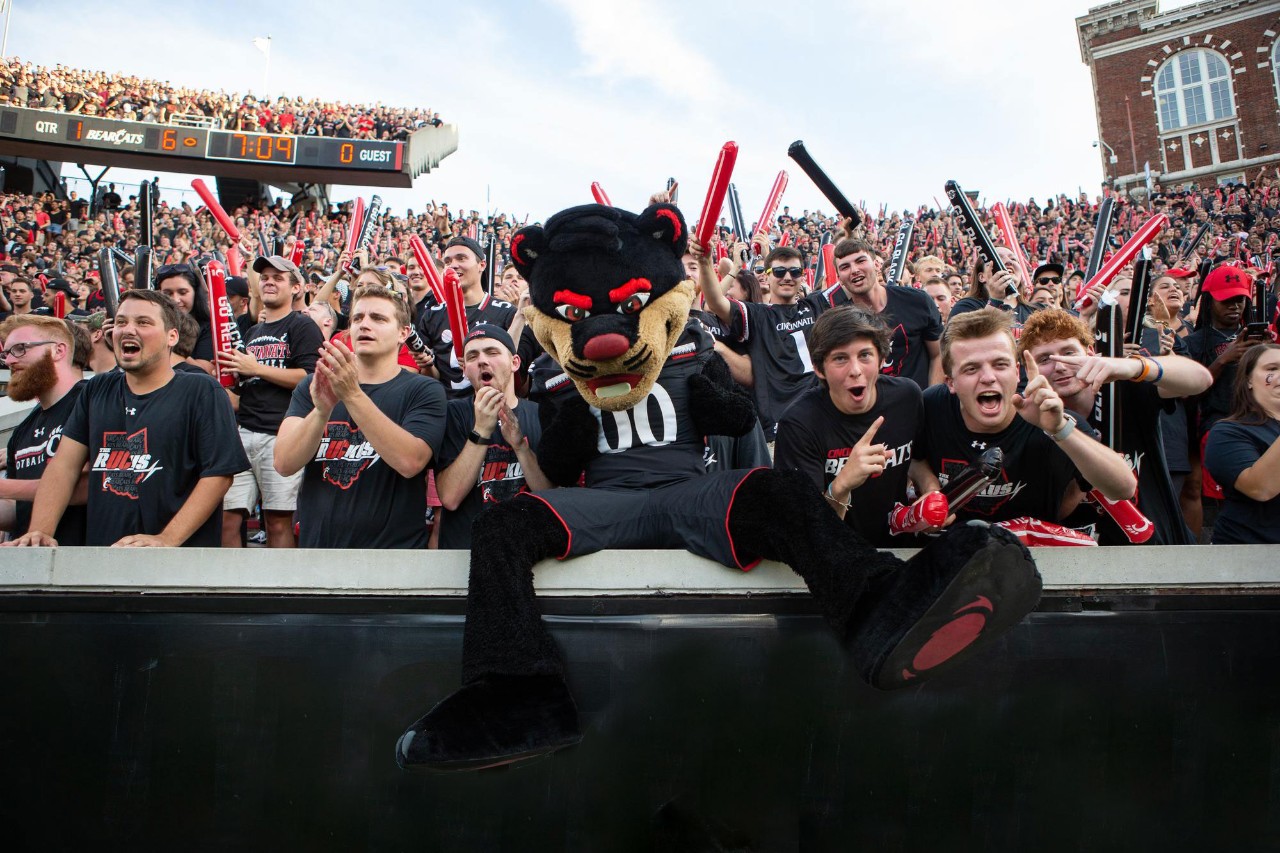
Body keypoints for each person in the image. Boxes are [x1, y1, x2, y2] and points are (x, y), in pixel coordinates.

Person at [4, 290, 248, 547]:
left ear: (172, 337)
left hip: (176, 565)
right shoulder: (96, 390)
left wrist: (166, 539)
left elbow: (218, 476)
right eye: (121, 322)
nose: (128, 329)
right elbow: (64, 466)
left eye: (143, 322)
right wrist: (41, 530)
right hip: (104, 557)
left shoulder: (202, 391)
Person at [914, 308, 1136, 524]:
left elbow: (1124, 487)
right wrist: (930, 488)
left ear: (1016, 370)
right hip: (948, 551)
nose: (988, 377)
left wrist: (1060, 430)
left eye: (1000, 365)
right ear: (951, 382)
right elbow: (914, 459)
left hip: (1030, 555)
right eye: (971, 369)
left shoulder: (1050, 418)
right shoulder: (931, 406)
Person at [1018, 308, 1211, 544]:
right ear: (1028, 369)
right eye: (1045, 359)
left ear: (1091, 353)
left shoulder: (1124, 388)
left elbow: (1201, 379)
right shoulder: (1028, 418)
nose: (1059, 366)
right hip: (1085, 563)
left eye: (1069, 353)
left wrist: (1133, 367)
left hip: (1160, 545)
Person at [275, 284, 446, 549]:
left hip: (391, 558)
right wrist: (321, 411)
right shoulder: (316, 385)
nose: (364, 325)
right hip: (318, 552)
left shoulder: (423, 389)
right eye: (357, 318)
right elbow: (284, 463)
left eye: (378, 318)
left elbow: (411, 461)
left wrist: (352, 394)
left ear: (403, 333)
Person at [774, 306, 933, 547]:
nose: (855, 371)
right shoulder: (799, 424)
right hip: (839, 557)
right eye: (840, 358)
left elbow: (917, 461)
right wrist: (842, 485)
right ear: (819, 369)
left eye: (865, 355)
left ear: (881, 359)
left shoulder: (908, 397)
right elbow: (807, 531)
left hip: (902, 548)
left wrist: (931, 490)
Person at [216, 254, 324, 549]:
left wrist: (257, 368)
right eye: (264, 278)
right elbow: (249, 387)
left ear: (295, 288)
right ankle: (231, 591)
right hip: (244, 432)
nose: (269, 282)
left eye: (278, 278)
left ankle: (283, 593)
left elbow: (311, 378)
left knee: (277, 521)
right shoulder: (252, 331)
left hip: (280, 435)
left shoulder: (303, 327)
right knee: (228, 518)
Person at [696, 240, 839, 442]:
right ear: (768, 275)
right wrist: (704, 263)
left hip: (826, 422)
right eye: (779, 272)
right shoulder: (757, 315)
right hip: (782, 429)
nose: (787, 277)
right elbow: (715, 302)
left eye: (795, 272)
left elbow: (850, 281)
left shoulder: (817, 304)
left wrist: (852, 234)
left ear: (803, 276)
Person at [434, 324, 550, 548]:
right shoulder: (452, 414)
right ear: (465, 370)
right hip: (466, 552)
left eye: (492, 352)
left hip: (527, 549)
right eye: (472, 356)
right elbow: (449, 498)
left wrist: (520, 447)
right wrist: (481, 431)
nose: (482, 361)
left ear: (515, 362)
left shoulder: (540, 414)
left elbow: (550, 496)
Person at [1, 315, 88, 543]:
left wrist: (3, 486)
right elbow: (17, 508)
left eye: (20, 349)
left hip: (83, 556)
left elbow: (92, 484)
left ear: (58, 350)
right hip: (30, 559)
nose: (10, 360)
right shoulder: (22, 431)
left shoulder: (92, 401)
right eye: (6, 353)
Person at [831, 238, 943, 388]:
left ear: (876, 265)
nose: (854, 270)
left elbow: (939, 353)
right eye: (845, 267)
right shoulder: (839, 320)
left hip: (919, 404)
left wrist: (930, 399)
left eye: (860, 261)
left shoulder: (917, 301)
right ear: (840, 279)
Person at [416, 236, 516, 397]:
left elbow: (515, 373)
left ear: (481, 265)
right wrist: (426, 365)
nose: (454, 265)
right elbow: (431, 378)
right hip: (446, 410)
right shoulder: (432, 315)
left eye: (461, 258)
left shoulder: (506, 312)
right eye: (448, 262)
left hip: (492, 407)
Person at [1203, 343, 1280, 543]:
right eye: (1272, 369)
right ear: (1248, 380)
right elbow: (1259, 488)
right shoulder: (1228, 432)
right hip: (1249, 556)